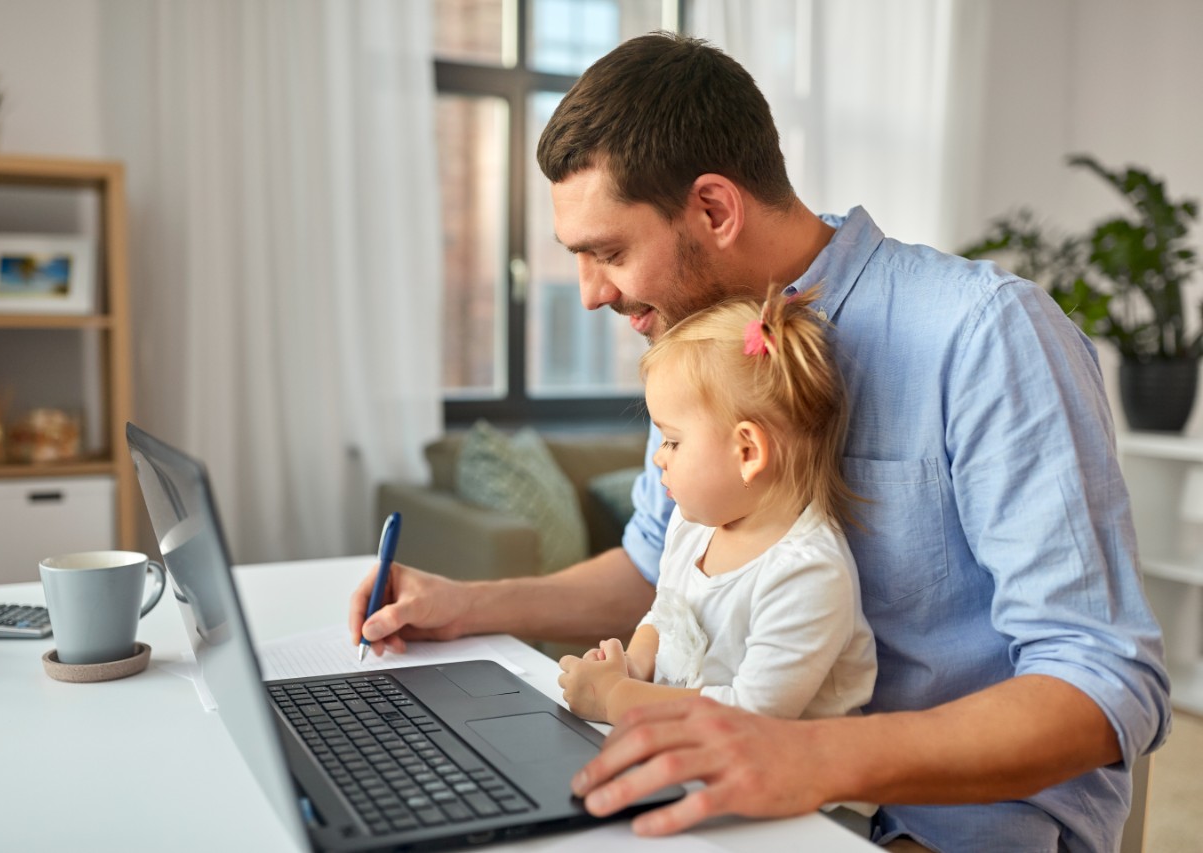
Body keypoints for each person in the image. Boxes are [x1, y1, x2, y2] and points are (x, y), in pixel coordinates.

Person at [350, 32, 1171, 852]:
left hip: (956, 826)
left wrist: (804, 757)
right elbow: (649, 566)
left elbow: (1104, 683)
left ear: (713, 207)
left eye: (608, 251)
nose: (593, 292)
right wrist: (464, 606)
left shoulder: (985, 333)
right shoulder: (700, 347)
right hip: (758, 799)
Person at [557, 286, 876, 732]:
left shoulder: (807, 573)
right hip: (694, 759)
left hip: (797, 794)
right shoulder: (693, 530)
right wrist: (631, 667)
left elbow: (752, 716)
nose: (658, 457)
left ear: (747, 451)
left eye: (672, 440)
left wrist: (616, 698)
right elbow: (663, 616)